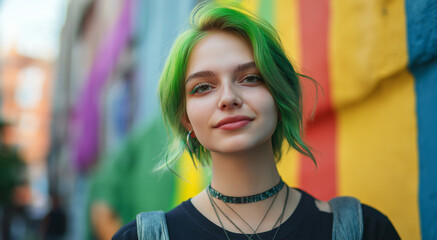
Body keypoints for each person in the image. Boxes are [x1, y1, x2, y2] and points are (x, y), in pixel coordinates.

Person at [113, 2, 400, 240]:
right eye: (203, 87)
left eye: (250, 78)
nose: (228, 98)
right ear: (186, 118)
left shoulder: (365, 231)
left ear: (279, 95)